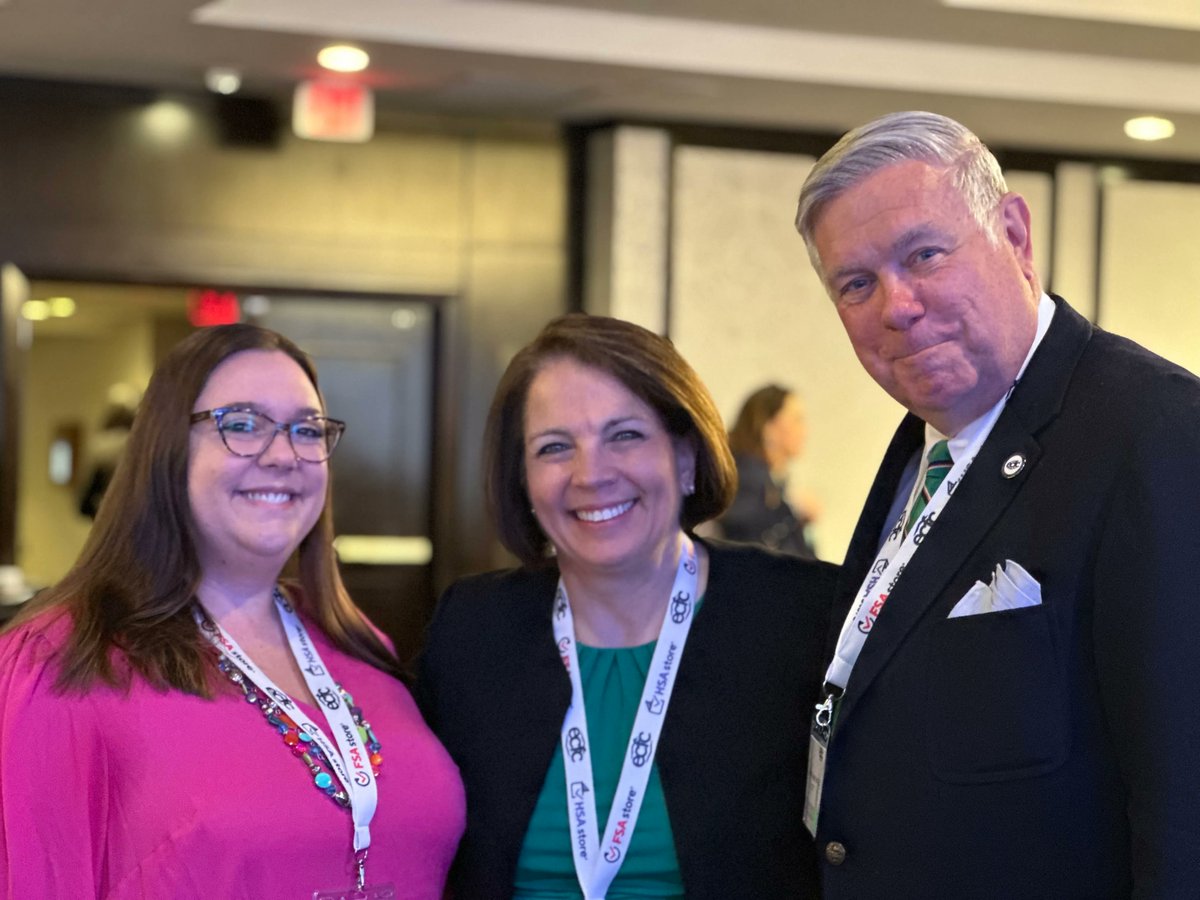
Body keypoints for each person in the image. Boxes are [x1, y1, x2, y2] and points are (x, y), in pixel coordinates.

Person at [794, 110, 1200, 898]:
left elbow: (1186, 787)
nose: (896, 305)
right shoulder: (926, 446)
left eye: (925, 254)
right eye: (856, 283)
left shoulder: (1154, 434)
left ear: (1014, 234)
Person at [0, 324, 465, 897]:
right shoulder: (63, 661)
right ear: (166, 451)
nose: (283, 455)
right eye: (241, 425)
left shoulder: (357, 644)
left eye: (306, 429)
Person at [417, 313, 836, 899]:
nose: (591, 474)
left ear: (686, 458)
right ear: (523, 480)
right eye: (555, 447)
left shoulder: (802, 618)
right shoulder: (472, 632)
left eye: (626, 435)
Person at [719, 384, 817, 558]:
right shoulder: (745, 477)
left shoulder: (767, 483)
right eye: (796, 420)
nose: (804, 431)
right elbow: (745, 528)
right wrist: (793, 512)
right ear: (768, 427)